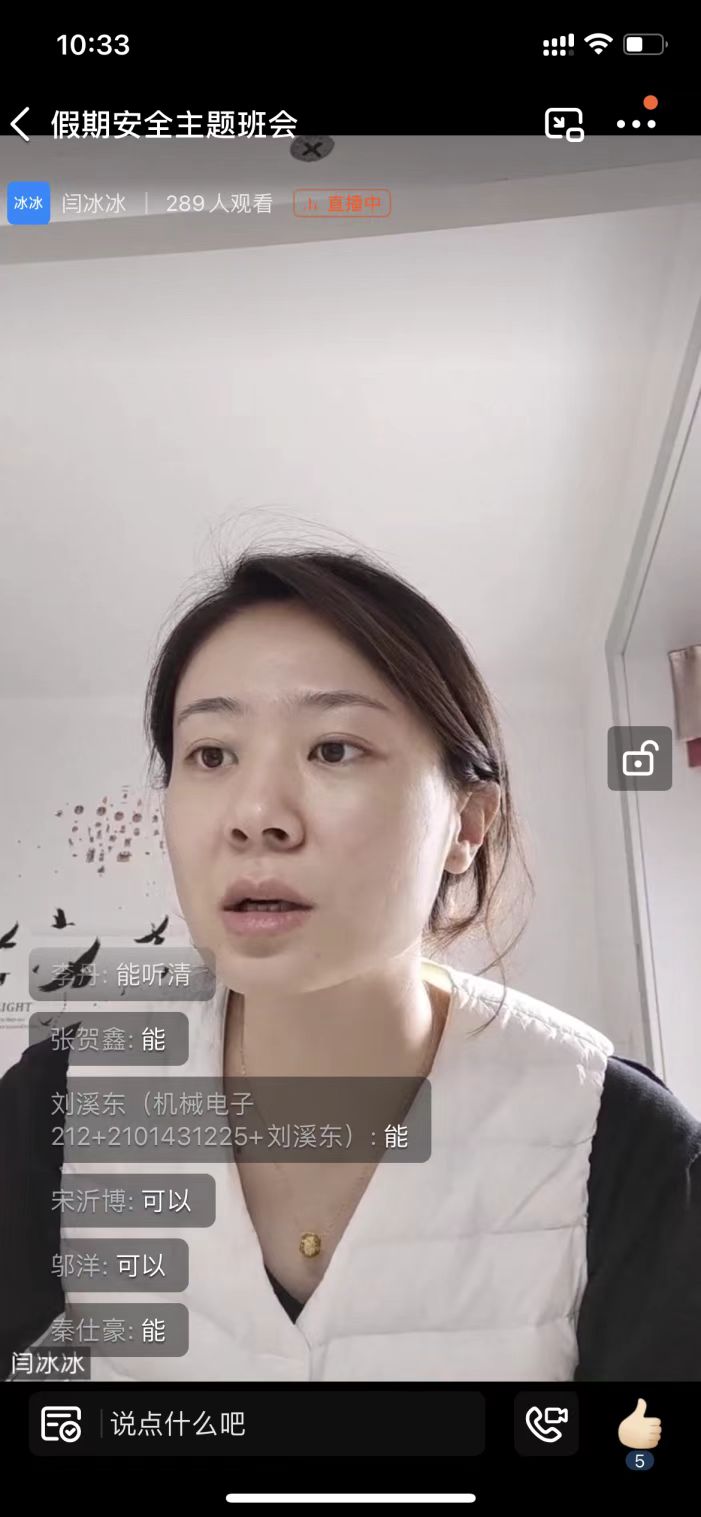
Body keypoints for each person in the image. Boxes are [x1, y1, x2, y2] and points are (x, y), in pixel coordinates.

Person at [1, 545, 700, 1382]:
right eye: (211, 754)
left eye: (333, 748)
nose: (255, 815)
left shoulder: (619, 1143)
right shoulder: (59, 1101)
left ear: (466, 824)